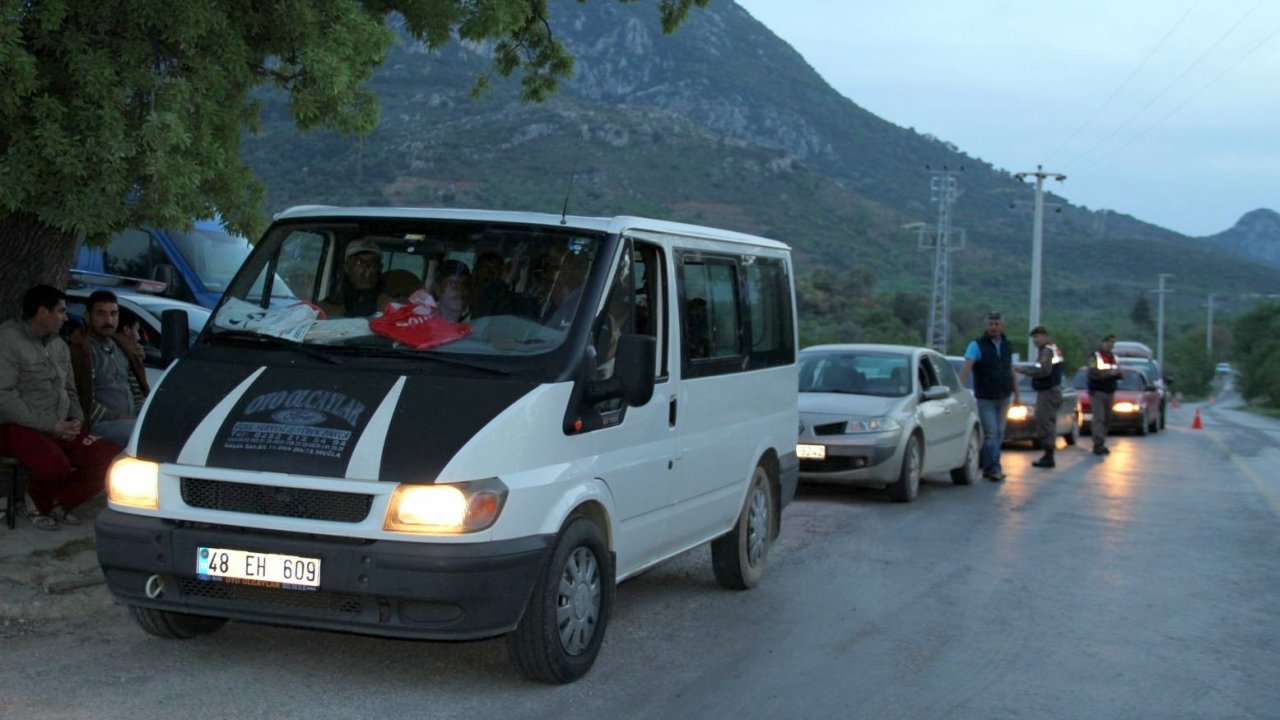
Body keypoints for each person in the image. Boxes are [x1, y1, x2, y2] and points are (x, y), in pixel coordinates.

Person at [0, 285, 122, 530]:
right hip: (18, 425)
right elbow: (4, 397)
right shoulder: (8, 340)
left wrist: (76, 418)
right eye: (61, 311)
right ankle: (35, 504)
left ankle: (59, 502)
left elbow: (70, 389)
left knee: (111, 459)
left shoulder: (59, 345)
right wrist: (50, 425)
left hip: (59, 424)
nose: (66, 317)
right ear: (43, 312)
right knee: (54, 464)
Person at [68, 290, 150, 447]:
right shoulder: (83, 351)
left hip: (130, 422)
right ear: (87, 316)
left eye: (113, 314)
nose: (109, 320)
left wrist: (142, 416)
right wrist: (120, 418)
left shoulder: (123, 348)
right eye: (101, 314)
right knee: (143, 436)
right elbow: (84, 402)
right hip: (101, 425)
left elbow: (137, 393)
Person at [958, 311, 1020, 481]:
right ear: (986, 326)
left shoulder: (1007, 345)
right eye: (991, 324)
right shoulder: (976, 345)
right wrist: (959, 389)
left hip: (1004, 396)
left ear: (1002, 326)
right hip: (986, 397)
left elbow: (1010, 370)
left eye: (997, 324)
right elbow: (967, 367)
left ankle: (990, 466)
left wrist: (1017, 394)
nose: (994, 327)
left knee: (999, 433)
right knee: (991, 433)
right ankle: (993, 468)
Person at [1016, 325, 1064, 469]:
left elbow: (1044, 370)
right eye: (1033, 338)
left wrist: (1022, 370)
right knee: (1047, 421)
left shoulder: (1047, 350)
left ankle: (1048, 455)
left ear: (1045, 336)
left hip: (1048, 391)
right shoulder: (1052, 349)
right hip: (1051, 390)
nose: (1035, 341)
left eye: (1037, 337)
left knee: (1045, 422)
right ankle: (1048, 454)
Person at [320, 240, 383, 317]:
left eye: (372, 263)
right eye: (358, 263)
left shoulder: (389, 305)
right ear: (346, 268)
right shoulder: (328, 307)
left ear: (380, 268)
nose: (366, 270)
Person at [1087, 333, 1125, 456]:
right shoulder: (1095, 356)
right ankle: (1097, 443)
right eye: (1108, 341)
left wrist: (1118, 373)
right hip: (1098, 391)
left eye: (1113, 342)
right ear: (1103, 342)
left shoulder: (1115, 357)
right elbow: (1093, 373)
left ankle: (1102, 441)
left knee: (1107, 419)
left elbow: (1120, 373)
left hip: (1110, 391)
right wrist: (1110, 373)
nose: (1110, 344)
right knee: (1099, 418)